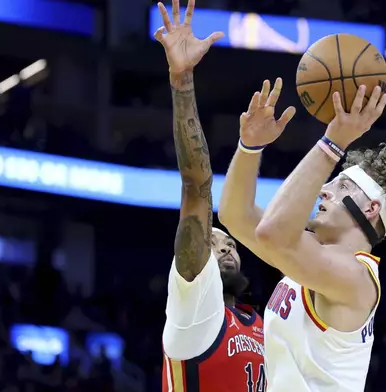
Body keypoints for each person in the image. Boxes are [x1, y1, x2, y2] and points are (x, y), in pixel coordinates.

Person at [220, 79, 386, 391]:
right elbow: (235, 216)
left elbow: (271, 232)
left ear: (370, 208)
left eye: (342, 187)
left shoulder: (354, 279)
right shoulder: (310, 256)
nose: (324, 190)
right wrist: (249, 146)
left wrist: (333, 142)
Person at [154, 1, 264, 391]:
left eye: (230, 242)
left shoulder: (265, 329)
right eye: (212, 242)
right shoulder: (193, 307)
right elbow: (196, 187)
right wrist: (182, 80)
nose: (225, 247)